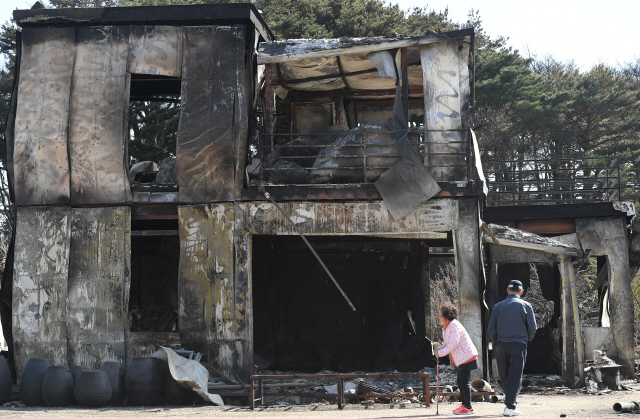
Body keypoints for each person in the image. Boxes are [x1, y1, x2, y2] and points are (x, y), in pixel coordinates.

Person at [488, 279, 537, 417]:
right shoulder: (526, 305)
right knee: (515, 375)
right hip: (518, 344)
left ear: (508, 291)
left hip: (501, 345)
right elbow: (532, 328)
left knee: (505, 375)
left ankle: (510, 402)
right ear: (521, 292)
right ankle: (510, 406)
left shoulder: (498, 306)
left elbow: (491, 328)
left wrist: (496, 343)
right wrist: (526, 340)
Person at [435, 302, 478, 416]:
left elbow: (453, 344)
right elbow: (446, 343)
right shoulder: (447, 327)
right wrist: (439, 349)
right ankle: (464, 405)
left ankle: (468, 407)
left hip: (466, 357)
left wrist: (440, 353)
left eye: (440, 315)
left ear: (446, 316)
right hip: (461, 358)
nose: (439, 317)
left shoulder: (454, 325)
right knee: (460, 382)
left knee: (464, 383)